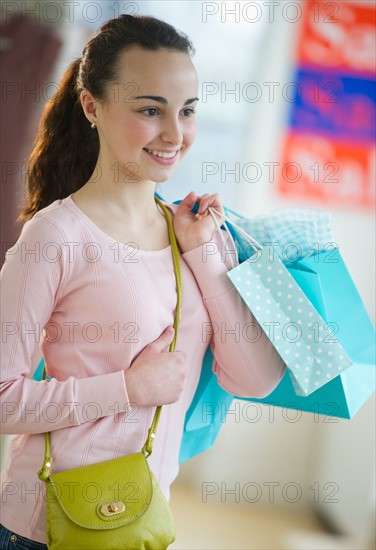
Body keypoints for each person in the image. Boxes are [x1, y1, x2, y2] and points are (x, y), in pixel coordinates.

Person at [0, 14, 286, 548]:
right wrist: (128, 390)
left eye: (188, 111)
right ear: (92, 107)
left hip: (144, 521)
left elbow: (255, 379)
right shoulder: (55, 235)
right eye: (150, 110)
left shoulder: (196, 231)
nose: (175, 135)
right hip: (47, 526)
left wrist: (203, 253)